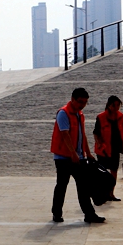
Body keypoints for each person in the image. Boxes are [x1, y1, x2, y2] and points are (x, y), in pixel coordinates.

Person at [50, 87, 105, 223]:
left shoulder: (79, 114)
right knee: (62, 185)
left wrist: (88, 153)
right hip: (63, 158)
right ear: (72, 99)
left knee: (83, 186)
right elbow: (65, 134)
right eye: (80, 102)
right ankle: (57, 213)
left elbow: (82, 135)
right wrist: (72, 153)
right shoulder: (63, 113)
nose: (82, 105)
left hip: (78, 157)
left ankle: (89, 214)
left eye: (85, 102)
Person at [94, 96, 123, 202]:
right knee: (102, 172)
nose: (116, 107)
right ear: (108, 105)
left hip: (115, 148)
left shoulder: (120, 116)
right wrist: (99, 144)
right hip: (103, 149)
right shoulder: (101, 117)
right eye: (114, 105)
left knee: (114, 171)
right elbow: (96, 133)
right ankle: (102, 193)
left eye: (118, 105)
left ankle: (111, 193)